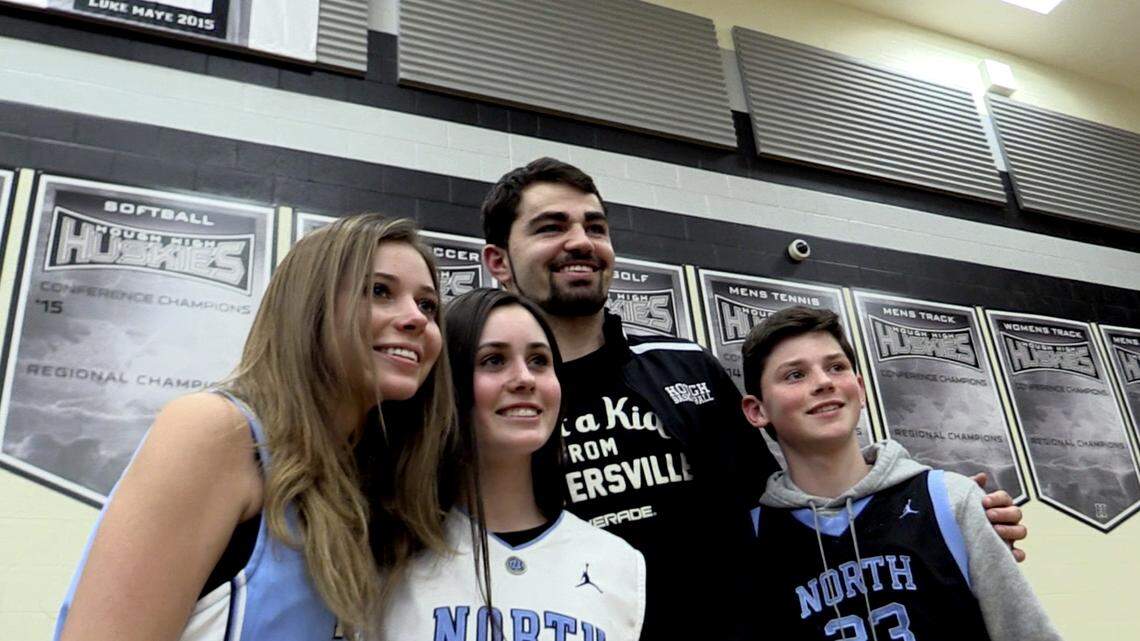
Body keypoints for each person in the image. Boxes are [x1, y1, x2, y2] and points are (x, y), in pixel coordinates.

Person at [479, 157, 1028, 639]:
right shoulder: (478, 396)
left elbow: (784, 502)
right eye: (551, 227)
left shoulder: (684, 364)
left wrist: (940, 518)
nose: (581, 241)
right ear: (498, 262)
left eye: (594, 226)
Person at [54, 215, 455, 640]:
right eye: (379, 291)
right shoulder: (215, 431)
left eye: (428, 305)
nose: (416, 319)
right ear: (308, 306)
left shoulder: (368, 486)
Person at [740, 306, 1061, 641]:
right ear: (757, 410)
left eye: (836, 367)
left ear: (860, 389)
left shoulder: (949, 500)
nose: (823, 382)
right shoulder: (751, 537)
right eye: (795, 375)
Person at [382, 288, 645, 641]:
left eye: (539, 360)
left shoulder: (618, 564)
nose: (524, 378)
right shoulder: (386, 550)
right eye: (493, 360)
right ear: (450, 383)